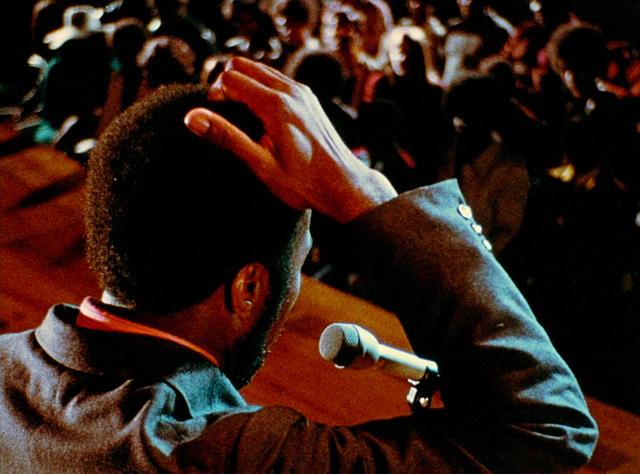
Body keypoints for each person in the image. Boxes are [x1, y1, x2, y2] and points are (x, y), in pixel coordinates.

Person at [0, 57, 597, 472]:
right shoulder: (236, 457)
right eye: (300, 259)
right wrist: (369, 198)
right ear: (248, 287)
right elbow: (547, 428)